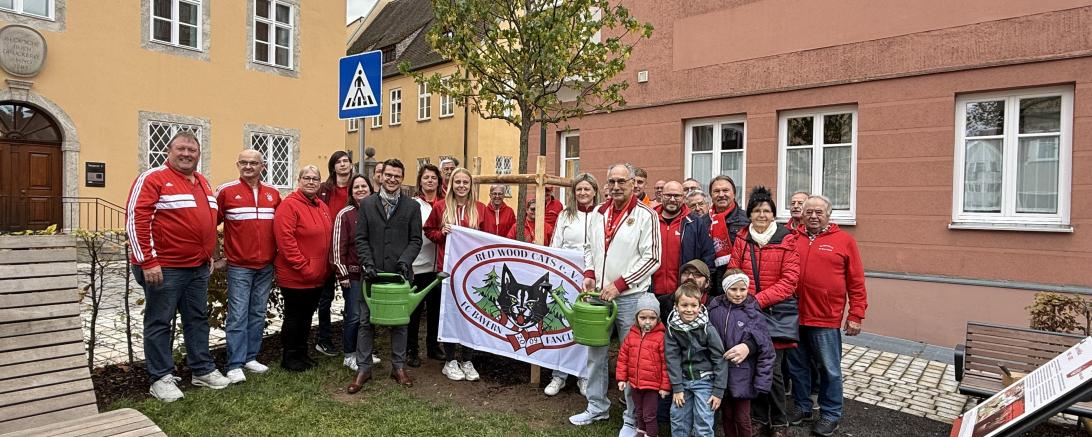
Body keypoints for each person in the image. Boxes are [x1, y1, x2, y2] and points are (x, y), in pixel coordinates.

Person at [127, 131, 229, 401]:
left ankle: (202, 370)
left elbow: (207, 221)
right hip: (165, 267)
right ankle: (160, 377)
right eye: (181, 149)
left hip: (197, 267)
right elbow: (136, 219)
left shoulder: (202, 181)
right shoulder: (153, 178)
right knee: (160, 321)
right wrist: (148, 261)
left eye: (192, 150)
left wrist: (209, 253)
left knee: (197, 319)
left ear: (199, 154)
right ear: (168, 151)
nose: (186, 154)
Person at [568, 163, 661, 437]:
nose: (616, 186)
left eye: (622, 181)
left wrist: (620, 284)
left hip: (630, 297)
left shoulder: (646, 215)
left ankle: (632, 418)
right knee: (595, 355)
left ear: (633, 183)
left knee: (633, 358)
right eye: (612, 181)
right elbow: (588, 247)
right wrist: (589, 273)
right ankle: (597, 406)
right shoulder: (599, 212)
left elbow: (652, 258)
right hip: (599, 296)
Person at [787, 195, 867, 437]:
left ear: (829, 215)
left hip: (825, 318)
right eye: (809, 212)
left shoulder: (844, 241)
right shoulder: (792, 238)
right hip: (794, 316)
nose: (813, 216)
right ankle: (803, 406)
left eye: (819, 212)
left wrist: (856, 314)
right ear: (802, 214)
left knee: (829, 369)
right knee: (798, 367)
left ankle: (831, 414)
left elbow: (856, 281)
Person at [727, 186, 800, 437]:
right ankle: (758, 418)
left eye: (766, 210)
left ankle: (779, 421)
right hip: (748, 312)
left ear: (773, 214)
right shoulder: (743, 238)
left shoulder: (786, 239)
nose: (761, 215)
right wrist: (744, 298)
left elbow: (789, 281)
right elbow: (734, 271)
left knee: (774, 371)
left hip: (774, 313)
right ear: (749, 214)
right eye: (757, 210)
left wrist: (756, 300)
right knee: (752, 365)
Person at [348, 159, 423, 392]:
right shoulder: (367, 204)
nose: (392, 179)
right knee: (365, 321)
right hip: (372, 274)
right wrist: (367, 264)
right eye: (388, 175)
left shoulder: (412, 206)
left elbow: (416, 240)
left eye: (397, 176)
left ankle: (398, 367)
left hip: (400, 274)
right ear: (381, 177)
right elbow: (360, 238)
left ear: (402, 178)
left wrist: (404, 261)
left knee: (400, 324)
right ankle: (364, 368)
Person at [216, 149, 282, 384]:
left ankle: (250, 357)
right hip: (239, 266)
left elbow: (281, 227)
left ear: (262, 166)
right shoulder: (226, 191)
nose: (248, 167)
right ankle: (234, 364)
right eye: (243, 162)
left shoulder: (273, 193)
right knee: (238, 315)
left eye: (253, 163)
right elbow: (209, 224)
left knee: (257, 312)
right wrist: (216, 256)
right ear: (237, 165)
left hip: (266, 265)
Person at [424, 167, 487, 382]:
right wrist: (441, 233)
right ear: (451, 184)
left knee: (471, 314)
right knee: (450, 313)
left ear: (471, 185)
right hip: (448, 268)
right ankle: (450, 360)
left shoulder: (480, 208)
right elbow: (428, 230)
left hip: (472, 270)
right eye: (457, 182)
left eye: (465, 182)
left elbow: (487, 237)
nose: (461, 186)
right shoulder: (441, 206)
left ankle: (467, 359)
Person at [274, 165, 334, 372]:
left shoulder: (321, 206)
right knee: (294, 317)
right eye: (306, 178)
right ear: (298, 181)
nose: (311, 182)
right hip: (296, 275)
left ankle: (302, 353)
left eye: (315, 178)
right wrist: (304, 267)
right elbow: (286, 242)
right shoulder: (289, 206)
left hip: (317, 275)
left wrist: (322, 269)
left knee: (307, 317)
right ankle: (290, 357)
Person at [545, 173, 600, 397]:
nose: (583, 193)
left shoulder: (602, 214)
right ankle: (558, 375)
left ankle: (584, 375)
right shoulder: (565, 215)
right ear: (573, 192)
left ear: (595, 191)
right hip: (566, 278)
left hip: (592, 280)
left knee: (587, 326)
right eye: (579, 189)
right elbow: (555, 246)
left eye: (587, 189)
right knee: (563, 324)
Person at [708, 270, 775, 437]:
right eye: (733, 289)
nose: (738, 294)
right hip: (721, 374)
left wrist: (762, 382)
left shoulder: (753, 313)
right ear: (725, 288)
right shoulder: (714, 309)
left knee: (742, 417)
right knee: (727, 415)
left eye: (742, 289)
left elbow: (766, 349)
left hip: (744, 375)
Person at [664, 284, 727, 437]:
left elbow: (719, 358)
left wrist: (718, 391)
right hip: (683, 380)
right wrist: (677, 387)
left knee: (703, 421)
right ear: (676, 306)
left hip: (705, 380)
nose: (689, 309)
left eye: (694, 305)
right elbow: (672, 358)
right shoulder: (672, 328)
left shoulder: (707, 328)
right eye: (684, 305)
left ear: (700, 306)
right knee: (678, 418)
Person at [651, 181, 715, 317]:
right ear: (661, 195)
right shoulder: (649, 219)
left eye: (677, 196)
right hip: (651, 292)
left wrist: (701, 290)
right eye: (668, 195)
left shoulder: (695, 223)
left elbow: (708, 257)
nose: (672, 199)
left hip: (683, 295)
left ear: (683, 197)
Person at [331, 174, 373, 372]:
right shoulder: (345, 214)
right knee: (354, 315)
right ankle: (349, 354)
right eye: (356, 187)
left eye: (364, 186)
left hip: (372, 274)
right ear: (351, 192)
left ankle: (364, 351)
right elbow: (337, 246)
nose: (360, 190)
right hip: (353, 275)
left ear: (371, 189)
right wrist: (342, 273)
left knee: (369, 316)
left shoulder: (377, 212)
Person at [315, 151, 355, 357]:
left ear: (351, 165)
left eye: (346, 161)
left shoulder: (356, 187)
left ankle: (352, 340)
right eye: (338, 162)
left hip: (349, 252)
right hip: (326, 250)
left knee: (352, 298)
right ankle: (324, 339)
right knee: (325, 298)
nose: (343, 165)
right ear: (333, 167)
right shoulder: (324, 189)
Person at [616, 293, 670, 437]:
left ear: (658, 318)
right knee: (639, 411)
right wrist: (622, 378)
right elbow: (623, 358)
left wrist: (665, 386)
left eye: (652, 318)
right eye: (643, 317)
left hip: (652, 386)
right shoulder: (631, 335)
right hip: (635, 384)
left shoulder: (661, 337)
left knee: (649, 414)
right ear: (636, 318)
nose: (647, 321)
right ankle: (641, 431)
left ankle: (651, 434)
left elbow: (666, 364)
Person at [409, 164, 443, 365]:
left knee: (435, 309)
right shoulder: (413, 205)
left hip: (438, 266)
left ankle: (433, 346)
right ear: (420, 181)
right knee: (414, 310)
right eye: (426, 177)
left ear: (439, 182)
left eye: (433, 178)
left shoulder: (445, 204)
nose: (430, 181)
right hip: (418, 265)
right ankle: (411, 350)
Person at [708, 175, 750, 294]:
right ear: (711, 195)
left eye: (725, 190)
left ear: (734, 193)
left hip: (738, 285)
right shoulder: (704, 221)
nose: (721, 194)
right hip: (711, 285)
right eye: (716, 191)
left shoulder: (747, 220)